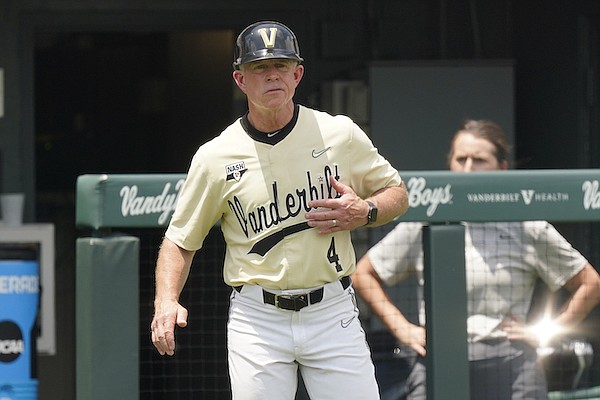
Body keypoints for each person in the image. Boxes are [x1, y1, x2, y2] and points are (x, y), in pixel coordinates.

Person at [150, 20, 409, 400]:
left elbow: (397, 193)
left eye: (281, 66)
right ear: (240, 80)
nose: (273, 76)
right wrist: (166, 301)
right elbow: (180, 241)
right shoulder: (215, 155)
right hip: (258, 317)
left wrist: (366, 210)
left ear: (298, 73)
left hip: (330, 307)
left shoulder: (339, 133)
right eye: (260, 68)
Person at [353, 119, 600, 400]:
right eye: (461, 159)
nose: (468, 168)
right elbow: (363, 274)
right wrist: (403, 328)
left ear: (502, 168)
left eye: (480, 160)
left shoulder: (528, 226)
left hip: (511, 364)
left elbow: (590, 283)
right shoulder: (425, 221)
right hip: (437, 358)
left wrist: (546, 331)